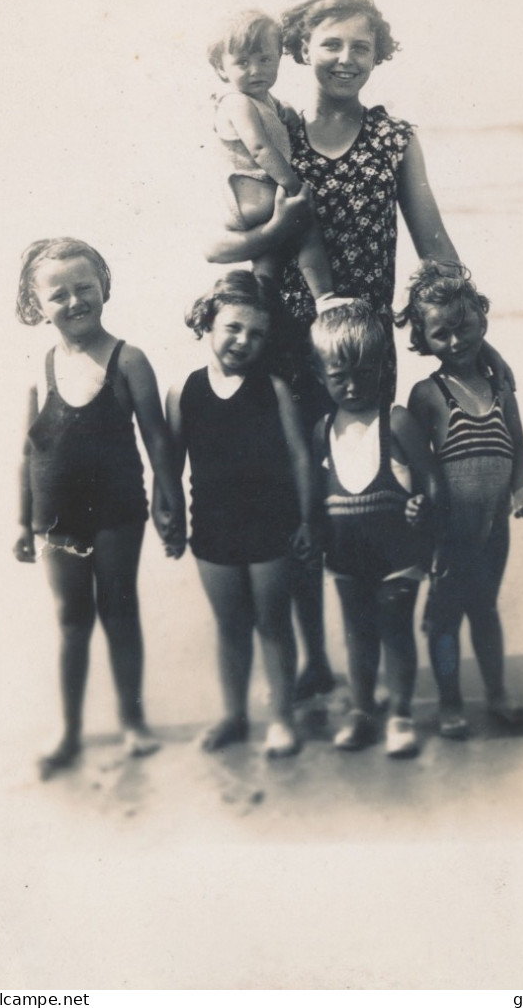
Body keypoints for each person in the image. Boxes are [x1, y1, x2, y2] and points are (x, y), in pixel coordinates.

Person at [205, 0, 471, 702]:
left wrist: (463, 332)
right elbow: (222, 242)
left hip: (362, 348)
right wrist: (274, 233)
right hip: (287, 341)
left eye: (361, 45)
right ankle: (315, 661)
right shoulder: (272, 126)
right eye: (331, 43)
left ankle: (377, 662)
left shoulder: (394, 137)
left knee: (373, 497)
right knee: (298, 503)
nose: (346, 57)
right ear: (301, 50)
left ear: (379, 54)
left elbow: (434, 244)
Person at [13, 237, 185, 779]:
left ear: (104, 286)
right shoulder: (37, 369)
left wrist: (169, 501)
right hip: (55, 517)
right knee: (71, 621)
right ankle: (68, 730)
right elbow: (28, 450)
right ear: (37, 306)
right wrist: (22, 521)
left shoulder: (128, 359)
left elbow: (159, 441)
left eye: (84, 287)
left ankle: (132, 722)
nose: (74, 301)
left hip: (117, 510)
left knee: (119, 609)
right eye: (58, 294)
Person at [162, 271, 313, 758]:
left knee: (273, 623)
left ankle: (283, 719)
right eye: (233, 327)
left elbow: (300, 460)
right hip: (212, 529)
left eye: (256, 333)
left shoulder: (273, 389)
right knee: (229, 627)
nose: (243, 340)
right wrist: (165, 516)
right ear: (208, 321)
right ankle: (233, 715)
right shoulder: (184, 391)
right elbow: (170, 465)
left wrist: (309, 520)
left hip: (272, 527)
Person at [396, 261, 523, 738]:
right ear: (423, 341)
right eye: (441, 335)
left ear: (482, 320)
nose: (456, 341)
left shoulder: (502, 389)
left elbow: (519, 450)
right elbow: (418, 466)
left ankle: (498, 694)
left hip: (493, 525)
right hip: (448, 529)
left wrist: (522, 489)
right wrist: (416, 505)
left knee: (486, 608)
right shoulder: (428, 394)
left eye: (463, 327)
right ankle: (450, 703)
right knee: (445, 616)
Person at [310, 301, 447, 756]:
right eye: (338, 377)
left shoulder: (399, 421)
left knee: (395, 630)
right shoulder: (321, 429)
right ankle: (361, 710)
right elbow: (312, 492)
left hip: (398, 556)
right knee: (358, 634)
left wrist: (423, 507)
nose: (352, 387)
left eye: (364, 374)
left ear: (384, 368)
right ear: (320, 374)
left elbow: (431, 480)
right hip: (345, 557)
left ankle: (402, 714)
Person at [207, 9, 337, 307]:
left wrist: (286, 111)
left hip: (252, 201)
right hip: (256, 192)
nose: (255, 70)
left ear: (278, 58)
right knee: (306, 225)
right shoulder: (236, 102)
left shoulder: (262, 99)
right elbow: (260, 149)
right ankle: (325, 296)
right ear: (222, 68)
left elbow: (278, 113)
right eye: (242, 62)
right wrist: (292, 185)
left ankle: (263, 301)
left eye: (265, 60)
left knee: (268, 254)